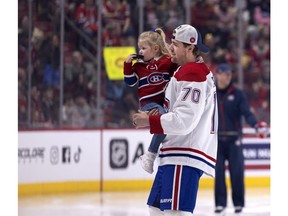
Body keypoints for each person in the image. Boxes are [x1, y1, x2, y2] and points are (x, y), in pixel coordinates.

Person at [132, 24, 218, 215]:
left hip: (184, 155)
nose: (170, 47)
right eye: (171, 42)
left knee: (174, 212)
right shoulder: (186, 71)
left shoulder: (193, 73)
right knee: (155, 209)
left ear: (190, 48)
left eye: (176, 44)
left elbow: (184, 121)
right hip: (174, 154)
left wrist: (150, 120)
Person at [213, 63, 268, 214]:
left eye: (230, 74)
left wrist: (255, 125)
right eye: (225, 73)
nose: (228, 76)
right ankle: (220, 204)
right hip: (217, 140)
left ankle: (238, 203)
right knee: (218, 174)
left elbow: (247, 113)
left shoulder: (237, 94)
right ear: (217, 74)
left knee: (237, 173)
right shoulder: (211, 93)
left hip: (234, 140)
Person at [123, 28, 178, 174]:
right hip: (148, 104)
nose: (140, 51)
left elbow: (180, 68)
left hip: (164, 103)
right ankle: (150, 155)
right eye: (139, 48)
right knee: (163, 122)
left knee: (166, 123)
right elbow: (130, 82)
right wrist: (128, 65)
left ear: (155, 48)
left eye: (143, 48)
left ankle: (153, 154)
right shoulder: (139, 66)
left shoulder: (167, 62)